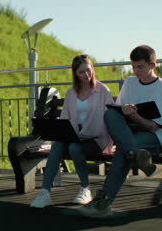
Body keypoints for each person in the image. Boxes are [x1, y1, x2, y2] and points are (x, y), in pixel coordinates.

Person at [78, 45, 162, 218]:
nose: (135, 71)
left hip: (154, 137)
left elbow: (154, 127)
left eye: (140, 67)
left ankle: (104, 202)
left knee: (123, 152)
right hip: (130, 133)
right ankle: (138, 155)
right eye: (133, 66)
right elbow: (119, 111)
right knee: (110, 114)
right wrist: (123, 111)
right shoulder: (129, 82)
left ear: (152, 66)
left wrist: (135, 116)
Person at [30, 54, 114, 208]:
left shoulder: (102, 90)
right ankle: (45, 192)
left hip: (96, 139)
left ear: (92, 69)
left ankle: (85, 188)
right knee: (58, 144)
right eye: (82, 72)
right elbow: (64, 119)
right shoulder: (71, 93)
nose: (86, 75)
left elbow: (112, 115)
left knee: (74, 147)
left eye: (88, 70)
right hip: (75, 137)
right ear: (75, 74)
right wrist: (66, 133)